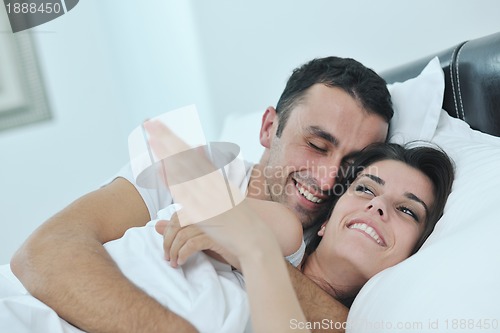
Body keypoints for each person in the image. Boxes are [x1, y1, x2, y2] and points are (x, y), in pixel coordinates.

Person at [10, 56, 393, 332]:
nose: (328, 180)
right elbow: (44, 253)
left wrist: (249, 250)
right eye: (316, 144)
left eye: (352, 164)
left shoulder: (344, 239)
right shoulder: (195, 165)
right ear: (268, 128)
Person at [102, 142, 454, 332]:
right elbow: (221, 218)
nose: (378, 207)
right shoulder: (287, 235)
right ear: (325, 221)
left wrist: (249, 247)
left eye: (408, 211)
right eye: (365, 189)